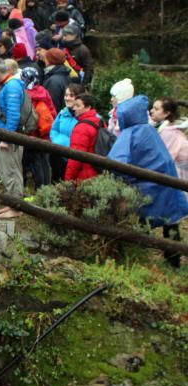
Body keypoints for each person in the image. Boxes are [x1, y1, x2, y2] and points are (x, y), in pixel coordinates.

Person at [109, 95, 188, 268]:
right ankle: (173, 262)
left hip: (147, 185)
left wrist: (127, 180)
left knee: (141, 220)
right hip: (167, 181)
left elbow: (116, 162)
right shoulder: (149, 129)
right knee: (171, 221)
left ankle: (138, 256)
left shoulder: (129, 134)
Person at [0, 58, 25, 218]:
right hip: (3, 136)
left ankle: (17, 207)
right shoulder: (6, 85)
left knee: (11, 171)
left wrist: (7, 139)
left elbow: (13, 115)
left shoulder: (11, 86)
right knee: (6, 172)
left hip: (8, 138)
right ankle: (13, 203)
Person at [50, 83, 86, 182]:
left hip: (74, 159)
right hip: (58, 155)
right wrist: (56, 141)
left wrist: (66, 144)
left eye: (71, 95)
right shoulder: (62, 113)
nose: (67, 98)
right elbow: (54, 129)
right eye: (66, 95)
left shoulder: (84, 117)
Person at [64, 93, 102, 182]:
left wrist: (67, 181)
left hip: (84, 177)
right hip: (98, 173)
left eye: (78, 106)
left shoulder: (82, 128)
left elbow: (75, 158)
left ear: (88, 107)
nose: (74, 108)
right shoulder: (99, 122)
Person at [150, 97, 188, 183]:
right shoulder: (164, 128)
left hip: (181, 175)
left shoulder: (170, 132)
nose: (151, 111)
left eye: (156, 109)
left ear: (166, 113)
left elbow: (166, 159)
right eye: (153, 108)